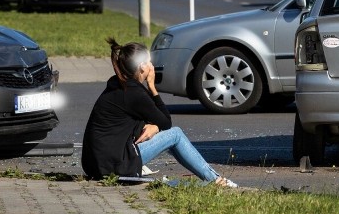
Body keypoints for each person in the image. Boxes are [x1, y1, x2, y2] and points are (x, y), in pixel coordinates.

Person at [81, 37, 238, 187]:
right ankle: (216, 180)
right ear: (142, 66)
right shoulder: (134, 93)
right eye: (149, 61)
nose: (152, 64)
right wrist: (153, 88)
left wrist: (154, 125)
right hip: (114, 167)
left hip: (94, 165)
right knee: (175, 134)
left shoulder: (118, 84)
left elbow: (134, 119)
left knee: (159, 130)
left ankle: (212, 180)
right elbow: (166, 122)